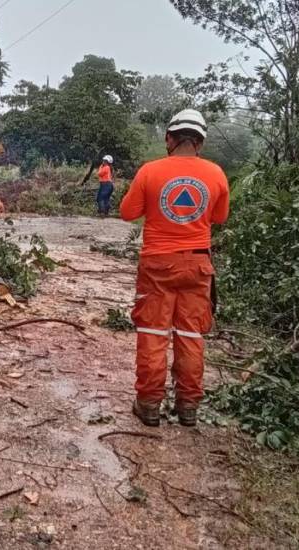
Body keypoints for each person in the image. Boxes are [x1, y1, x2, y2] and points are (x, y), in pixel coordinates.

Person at [119, 109, 230, 427]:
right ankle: (188, 408)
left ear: (169, 138)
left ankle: (150, 405)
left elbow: (128, 213)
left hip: (157, 264)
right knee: (190, 335)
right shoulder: (217, 174)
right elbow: (219, 218)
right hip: (198, 265)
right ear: (200, 142)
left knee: (153, 333)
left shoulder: (151, 171)